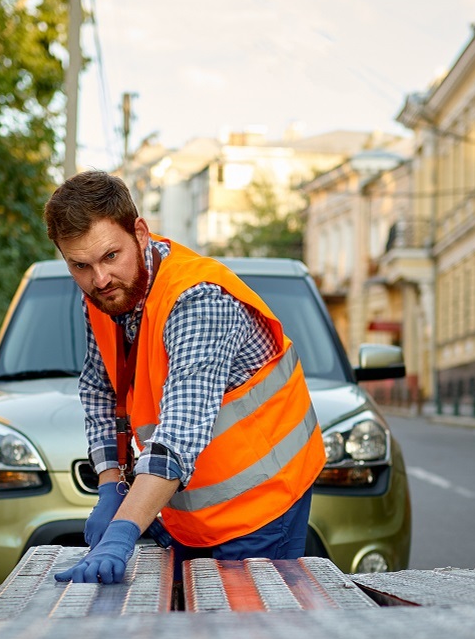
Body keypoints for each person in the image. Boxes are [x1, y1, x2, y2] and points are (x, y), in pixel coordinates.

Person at [45, 170, 325, 584]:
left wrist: (123, 530)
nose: (99, 279)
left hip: (262, 506)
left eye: (110, 256)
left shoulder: (197, 300)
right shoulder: (104, 294)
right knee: (188, 638)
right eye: (80, 265)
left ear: (140, 233)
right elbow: (101, 390)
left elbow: (179, 432)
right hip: (186, 510)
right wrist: (110, 486)